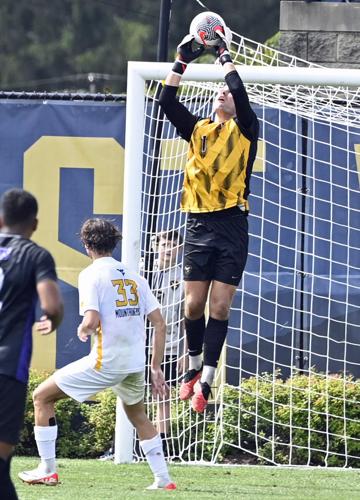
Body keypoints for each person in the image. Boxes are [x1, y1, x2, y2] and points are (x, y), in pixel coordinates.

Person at [18, 218, 176, 491]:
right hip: (135, 363)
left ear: (86, 245)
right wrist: (156, 367)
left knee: (41, 396)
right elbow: (160, 323)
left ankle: (47, 469)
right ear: (114, 243)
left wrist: (83, 329)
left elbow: (91, 320)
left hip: (107, 361)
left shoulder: (91, 274)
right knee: (138, 414)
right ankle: (163, 479)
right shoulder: (134, 275)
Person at [159, 30, 259, 413]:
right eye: (220, 91)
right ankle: (193, 369)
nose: (223, 92)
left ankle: (206, 381)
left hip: (232, 226)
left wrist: (221, 54)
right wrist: (182, 59)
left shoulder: (246, 129)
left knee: (219, 307)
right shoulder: (197, 129)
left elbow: (240, 90)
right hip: (198, 225)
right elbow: (167, 100)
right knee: (192, 304)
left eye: (228, 93)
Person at [0, 188, 63, 500]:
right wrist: (51, 319)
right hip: (8, 367)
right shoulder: (36, 255)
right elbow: (51, 304)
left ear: (1, 220)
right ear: (35, 224)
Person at [150, 230, 184, 452]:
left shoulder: (183, 277)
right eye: (164, 244)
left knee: (163, 395)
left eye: (173, 245)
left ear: (180, 249)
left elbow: (186, 317)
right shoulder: (144, 271)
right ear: (155, 247)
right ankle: (124, 444)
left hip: (169, 347)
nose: (168, 249)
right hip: (140, 344)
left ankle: (162, 444)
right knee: (132, 396)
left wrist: (185, 351)